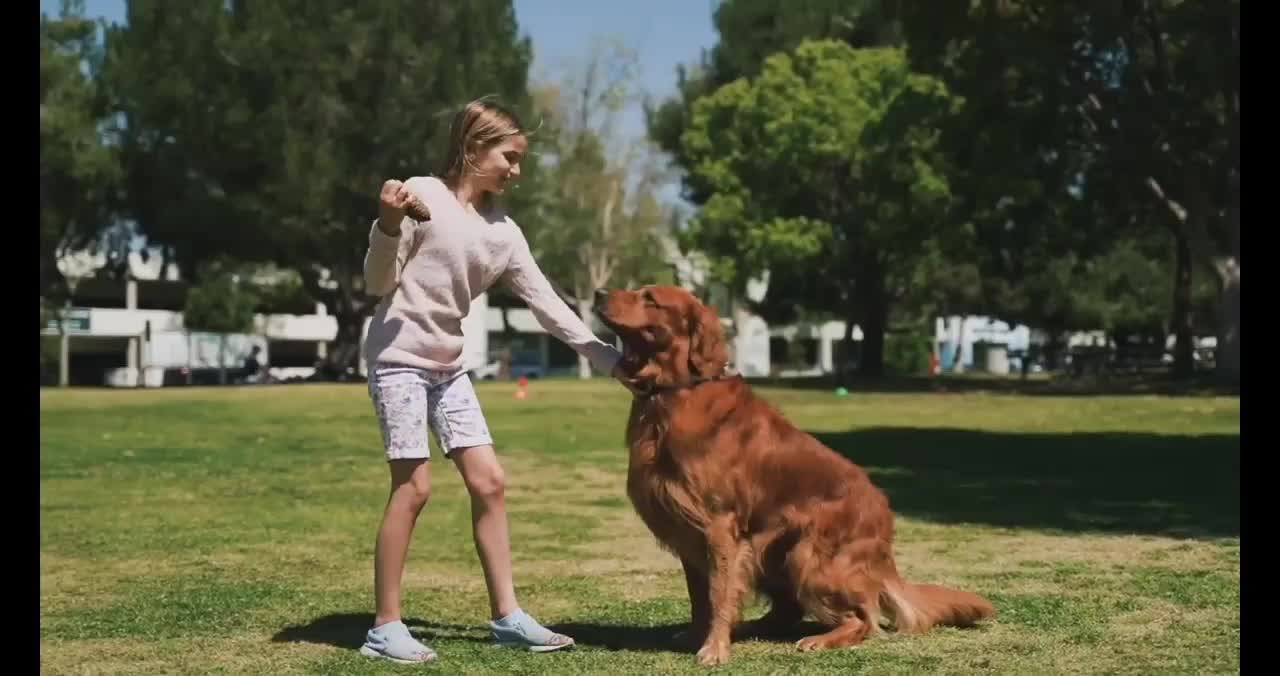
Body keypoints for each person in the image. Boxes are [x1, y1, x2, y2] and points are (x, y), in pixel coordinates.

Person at [358, 98, 636, 664]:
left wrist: (609, 360)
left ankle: (508, 616)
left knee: (489, 482)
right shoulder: (421, 196)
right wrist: (387, 225)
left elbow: (549, 306)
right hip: (398, 360)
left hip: (448, 366)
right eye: (510, 156)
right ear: (474, 147)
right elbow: (376, 283)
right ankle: (385, 628)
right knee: (414, 488)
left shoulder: (504, 234)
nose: (516, 170)